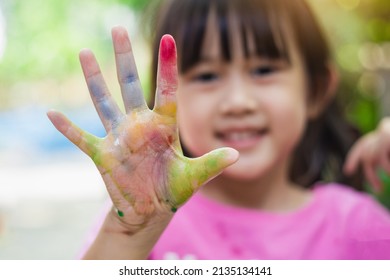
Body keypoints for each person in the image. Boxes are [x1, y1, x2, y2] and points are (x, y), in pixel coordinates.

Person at [48, 0, 390, 259]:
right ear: (168, 97)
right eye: (208, 76)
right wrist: (129, 234)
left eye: (264, 70)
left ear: (315, 90)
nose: (238, 101)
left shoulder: (360, 227)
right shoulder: (144, 227)